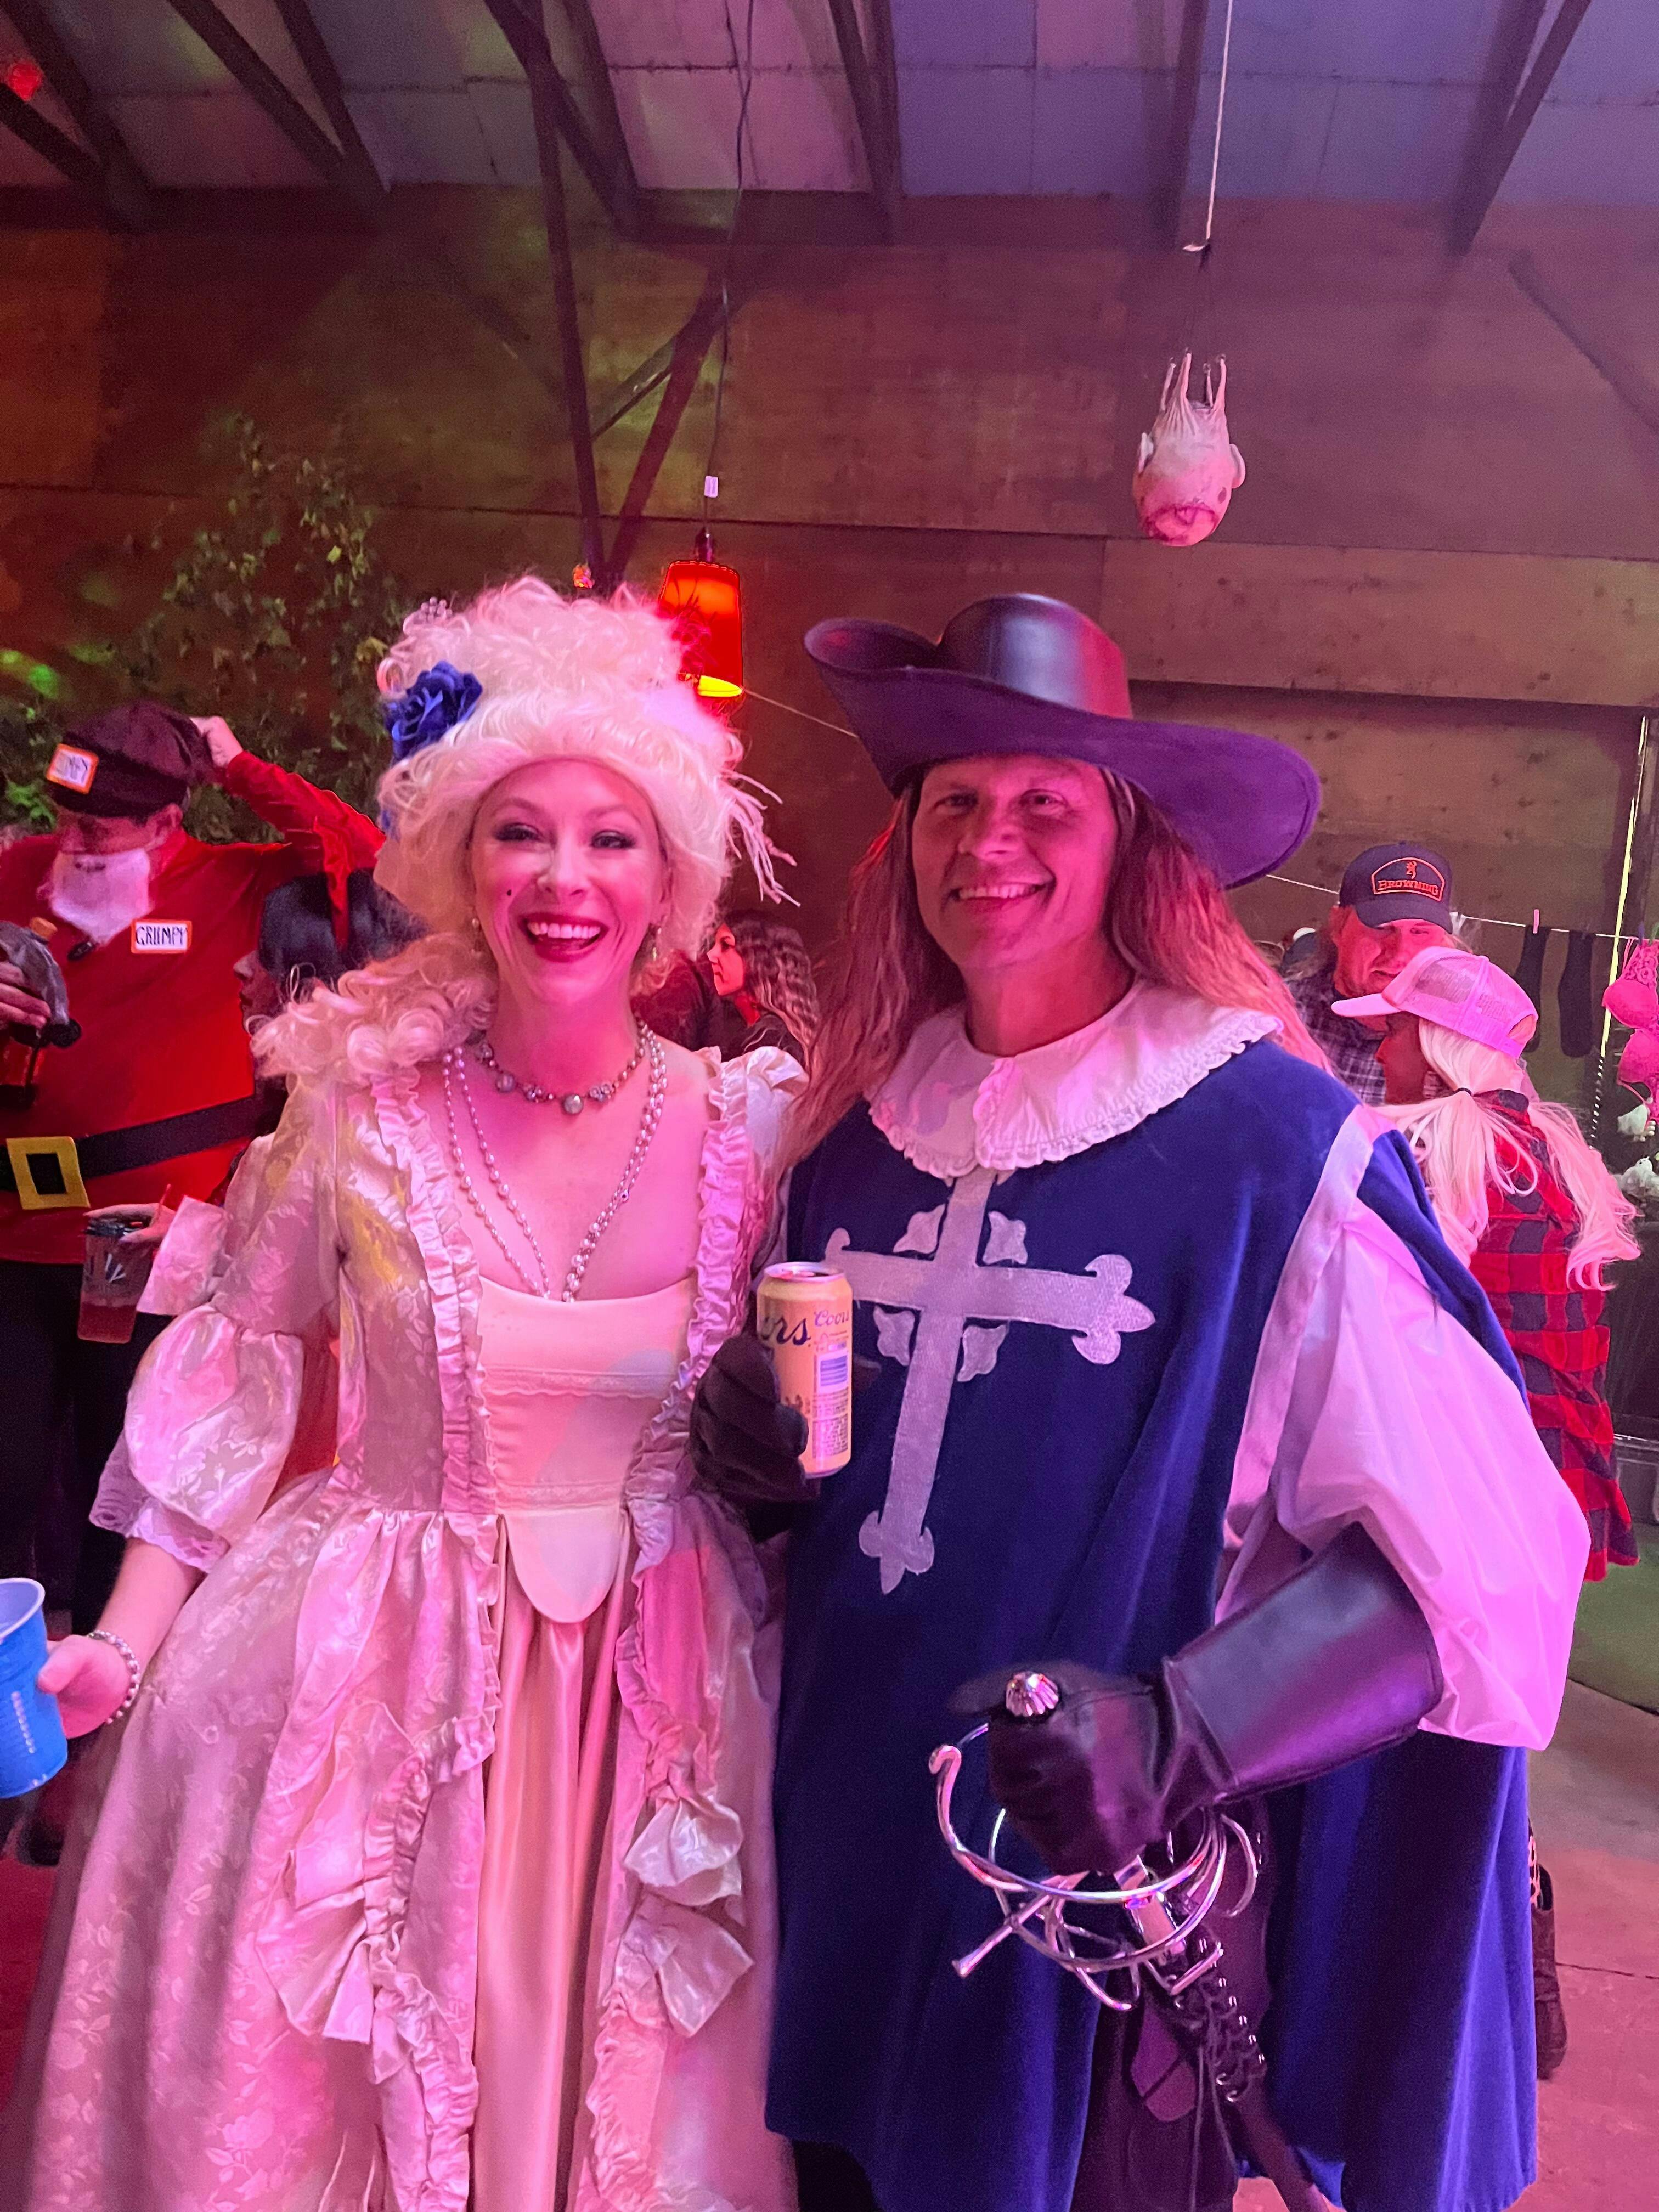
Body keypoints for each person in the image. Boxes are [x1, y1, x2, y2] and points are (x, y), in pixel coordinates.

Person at [689, 594, 1587, 2212]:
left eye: (1046, 802)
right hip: (831, 1850)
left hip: (1087, 1906)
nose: (990, 843)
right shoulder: (855, 1136)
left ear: (1132, 844)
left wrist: (1187, 1728)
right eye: (954, 801)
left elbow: (1485, 1560)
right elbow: (831, 1503)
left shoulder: (1267, 1151)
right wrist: (755, 1457)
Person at [1, 580, 799, 2212]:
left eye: (612, 838)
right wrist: (118, 1651)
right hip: (374, 1676)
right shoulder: (354, 1118)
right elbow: (235, 1384)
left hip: (659, 1697)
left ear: (670, 879)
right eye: (522, 833)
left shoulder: (753, 1133)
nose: (565, 878)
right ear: (456, 860)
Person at [0, 703, 381, 1858]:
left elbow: (359, 854)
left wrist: (240, 762)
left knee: (126, 1488)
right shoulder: (18, 873)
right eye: (68, 821)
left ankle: (80, 1763)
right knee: (5, 1481)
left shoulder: (226, 882)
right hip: (15, 1232)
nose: (78, 847)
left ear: (168, 826)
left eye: (105, 831)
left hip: (158, 1253)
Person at [1337, 941, 1640, 2080]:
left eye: (1394, 1032)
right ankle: (1501, 2000)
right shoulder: (1554, 1150)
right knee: (1487, 1742)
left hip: (1457, 1491)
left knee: (1407, 1734)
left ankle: (1423, 2003)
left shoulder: (1427, 1147)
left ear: (1441, 1046)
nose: (1380, 1051)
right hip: (1547, 1490)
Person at [1284, 841, 1460, 1101]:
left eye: (1420, 932)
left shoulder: (1462, 1046)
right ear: (1338, 925)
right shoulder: (1276, 1017)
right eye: (1382, 928)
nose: (1400, 954)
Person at [708, 909, 819, 1064]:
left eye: (726, 945)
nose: (711, 955)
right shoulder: (762, 1034)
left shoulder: (771, 1042)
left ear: (761, 959)